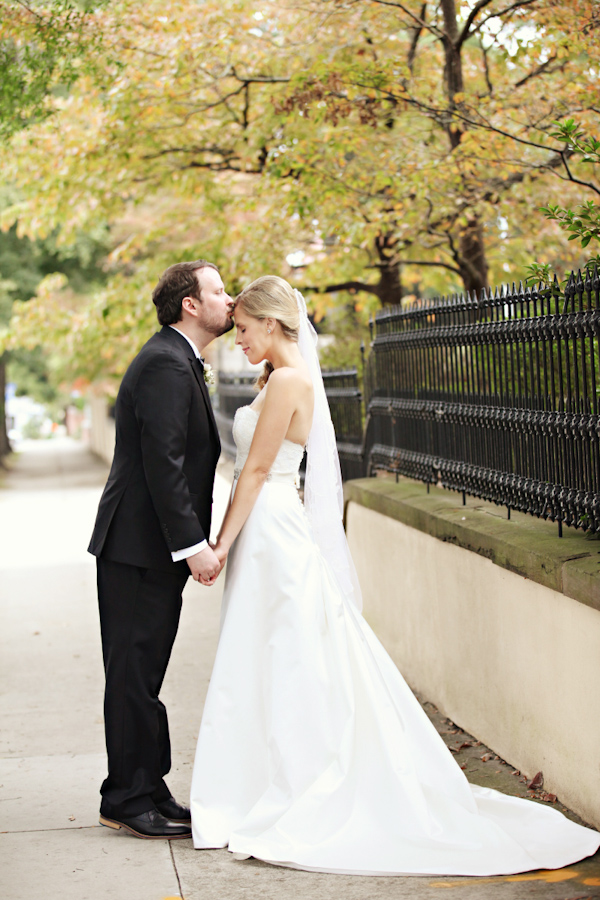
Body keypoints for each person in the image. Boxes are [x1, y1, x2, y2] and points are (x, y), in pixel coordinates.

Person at [189, 275, 600, 875]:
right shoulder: (282, 378)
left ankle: (289, 778)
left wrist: (219, 543)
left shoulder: (292, 382)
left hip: (271, 528)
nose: (241, 340)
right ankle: (262, 774)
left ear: (273, 323)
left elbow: (253, 474)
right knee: (271, 650)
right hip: (270, 527)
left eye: (246, 330)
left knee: (283, 650)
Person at [89, 260, 233, 840]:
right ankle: (125, 796)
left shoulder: (176, 361)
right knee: (131, 673)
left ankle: (148, 785)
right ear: (190, 305)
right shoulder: (165, 365)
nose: (230, 299)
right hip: (138, 548)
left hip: (147, 549)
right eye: (219, 291)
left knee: (142, 673)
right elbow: (163, 466)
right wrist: (193, 546)